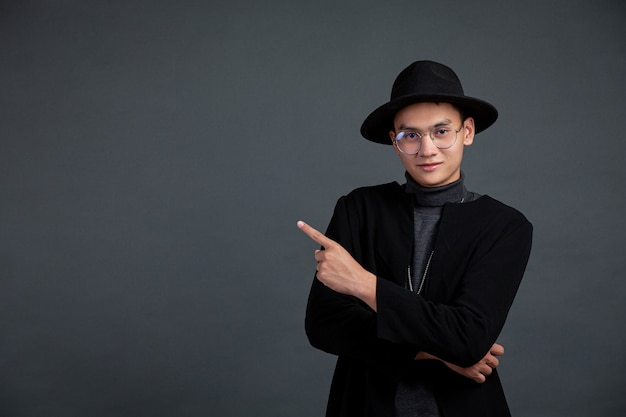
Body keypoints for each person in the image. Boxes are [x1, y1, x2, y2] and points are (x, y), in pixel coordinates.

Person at [297, 60, 533, 417]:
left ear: (467, 131)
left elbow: (469, 338)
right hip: (363, 404)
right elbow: (324, 326)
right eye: (411, 135)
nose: (427, 149)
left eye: (441, 131)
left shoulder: (505, 226)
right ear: (394, 141)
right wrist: (440, 352)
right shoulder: (359, 209)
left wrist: (363, 285)